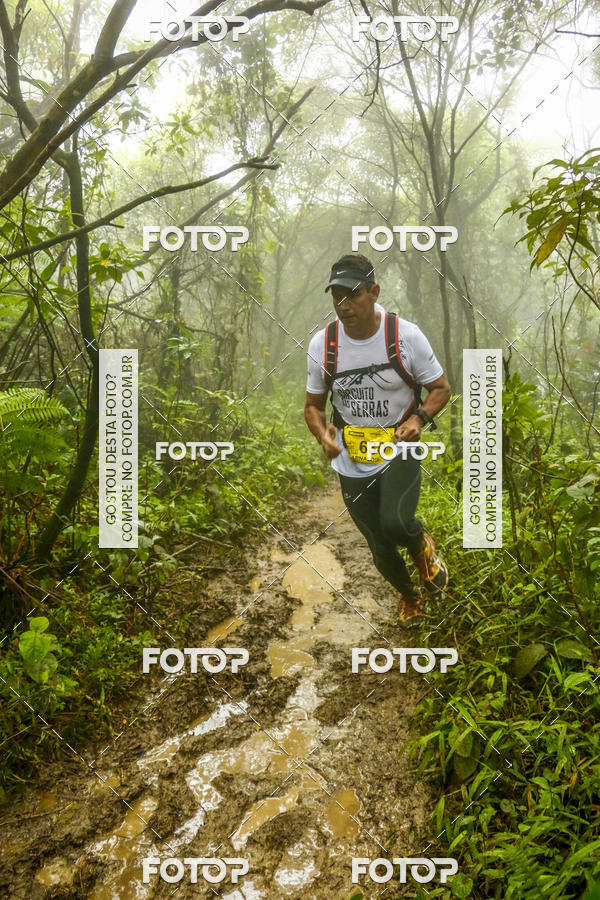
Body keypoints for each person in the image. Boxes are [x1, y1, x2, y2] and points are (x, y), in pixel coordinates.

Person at [304, 253, 451, 620]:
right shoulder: (323, 345)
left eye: (353, 294)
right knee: (379, 545)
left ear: (374, 292)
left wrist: (418, 419)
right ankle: (409, 595)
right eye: (336, 296)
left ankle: (422, 546)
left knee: (395, 523)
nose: (344, 305)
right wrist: (323, 436)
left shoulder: (404, 336)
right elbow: (312, 406)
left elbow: (441, 388)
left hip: (399, 446)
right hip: (352, 454)